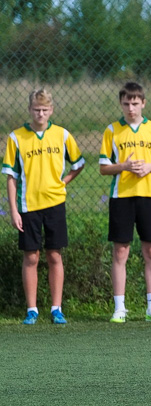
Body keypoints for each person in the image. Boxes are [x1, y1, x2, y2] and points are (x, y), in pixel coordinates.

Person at [3, 89, 85, 325]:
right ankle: (32, 309)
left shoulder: (62, 135)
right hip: (28, 206)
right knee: (31, 256)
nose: (40, 113)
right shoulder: (16, 137)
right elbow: (11, 177)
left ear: (51, 110)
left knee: (54, 255)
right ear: (29, 110)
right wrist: (14, 210)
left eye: (44, 110)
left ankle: (56, 308)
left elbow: (78, 164)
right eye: (36, 109)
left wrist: (64, 182)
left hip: (55, 203)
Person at [99, 82, 151, 323]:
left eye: (135, 103)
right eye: (126, 103)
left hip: (148, 195)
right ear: (120, 104)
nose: (130, 108)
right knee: (121, 251)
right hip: (121, 197)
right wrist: (124, 166)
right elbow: (103, 167)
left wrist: (149, 167)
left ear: (143, 103)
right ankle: (119, 308)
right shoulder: (112, 130)